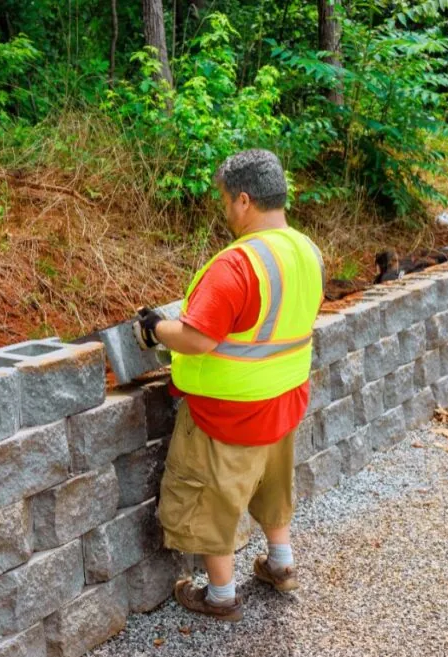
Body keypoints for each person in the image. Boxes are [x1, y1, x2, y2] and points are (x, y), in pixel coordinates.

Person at [133, 149, 325, 621]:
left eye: (224, 200)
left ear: (244, 200)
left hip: (228, 412)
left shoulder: (237, 264)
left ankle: (220, 597)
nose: (224, 210)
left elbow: (197, 338)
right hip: (283, 400)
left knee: (207, 500)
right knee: (273, 485)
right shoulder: (306, 250)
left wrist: (156, 329)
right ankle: (281, 565)